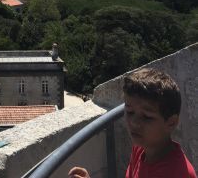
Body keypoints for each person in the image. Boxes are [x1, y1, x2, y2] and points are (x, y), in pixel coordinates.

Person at [68, 68, 196, 178]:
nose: (134, 123)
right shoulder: (141, 148)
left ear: (171, 123)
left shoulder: (174, 173)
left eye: (146, 117)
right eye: (130, 112)